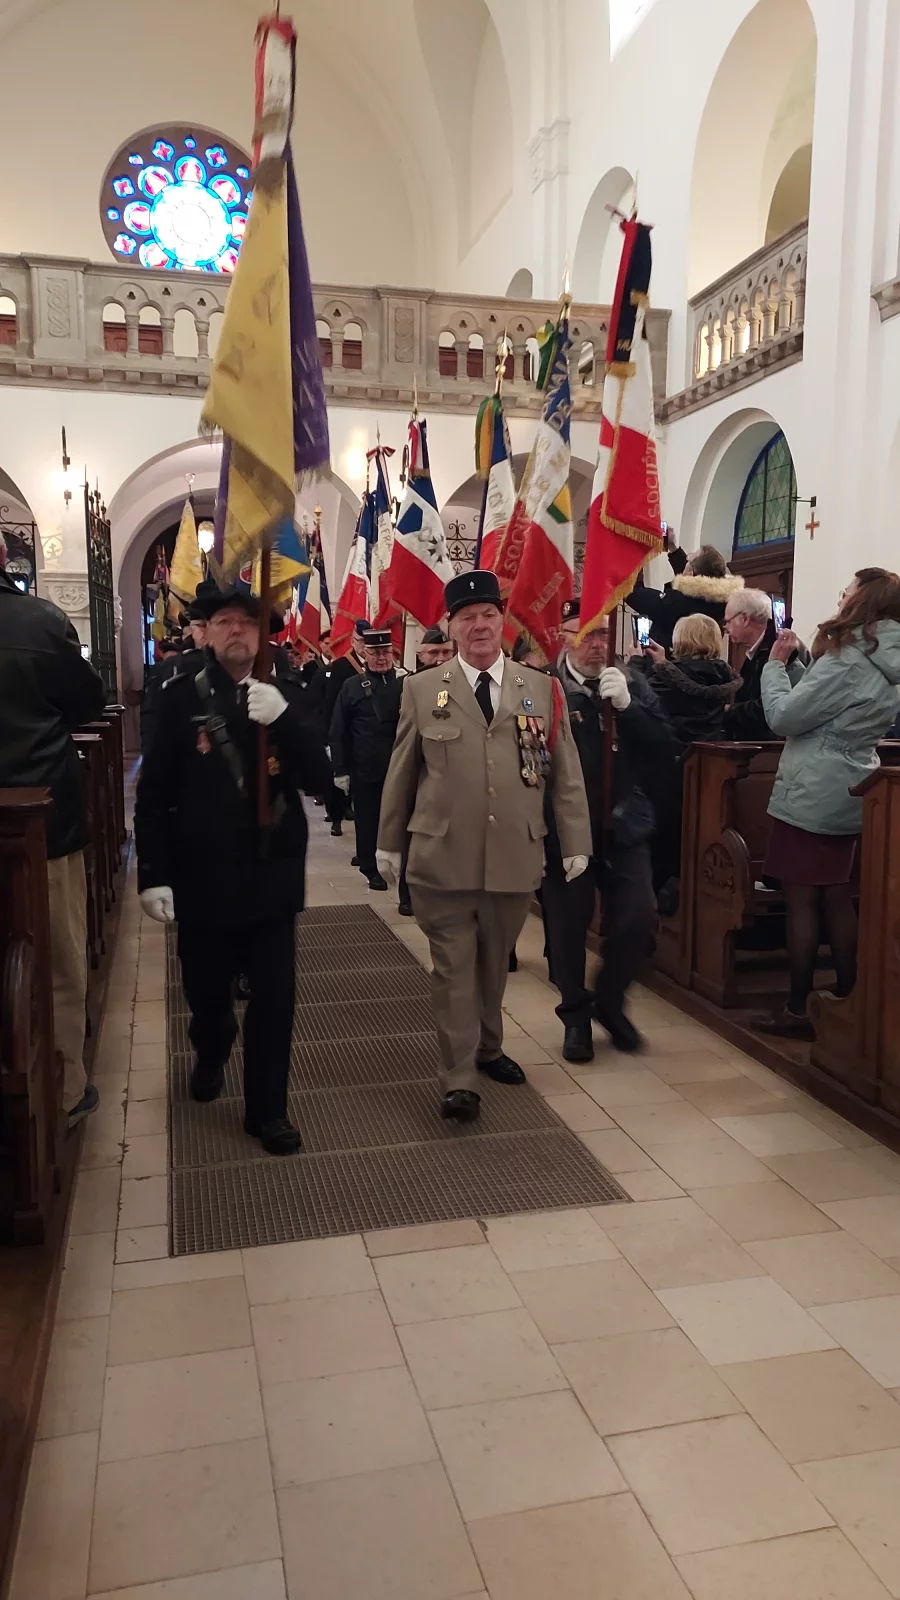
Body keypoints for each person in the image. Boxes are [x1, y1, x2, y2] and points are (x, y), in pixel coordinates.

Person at [376, 569, 591, 1122]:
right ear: (450, 627)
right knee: (454, 967)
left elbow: (565, 773)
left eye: (488, 615)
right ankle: (459, 1078)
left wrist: (575, 840)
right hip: (441, 856)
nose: (479, 626)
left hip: (514, 854)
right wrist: (388, 842)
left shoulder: (540, 688)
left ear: (502, 622)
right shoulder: (423, 689)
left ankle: (489, 1048)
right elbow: (402, 771)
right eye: (467, 617)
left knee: (494, 963)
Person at [134, 586, 330, 1153]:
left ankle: (268, 1112)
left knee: (275, 998)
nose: (238, 630)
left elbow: (321, 781)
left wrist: (285, 720)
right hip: (203, 873)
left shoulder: (290, 692)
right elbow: (154, 793)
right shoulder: (179, 697)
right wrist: (153, 872)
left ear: (264, 632)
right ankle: (212, 1046)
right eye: (225, 620)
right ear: (208, 631)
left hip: (271, 872)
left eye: (249, 621)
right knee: (206, 990)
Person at [754, 567, 900, 1037]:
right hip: (851, 784)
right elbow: (830, 709)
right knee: (836, 897)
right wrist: (801, 667)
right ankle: (849, 1001)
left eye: (847, 591)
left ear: (864, 601)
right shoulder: (886, 659)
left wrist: (774, 667)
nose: (841, 597)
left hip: (812, 789)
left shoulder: (848, 658)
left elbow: (784, 718)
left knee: (801, 900)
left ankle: (798, 1009)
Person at [543, 598, 678, 1063]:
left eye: (602, 634)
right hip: (566, 828)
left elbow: (665, 748)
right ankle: (575, 1018)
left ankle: (610, 998)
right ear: (563, 639)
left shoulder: (631, 682)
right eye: (585, 635)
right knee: (566, 929)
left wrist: (629, 707)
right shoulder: (544, 687)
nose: (597, 644)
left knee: (640, 918)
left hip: (624, 822)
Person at [0, 540, 106, 1129]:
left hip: (35, 815)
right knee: (56, 953)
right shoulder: (39, 621)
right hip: (37, 820)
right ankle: (64, 1087)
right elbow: (87, 701)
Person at [329, 628, 407, 893]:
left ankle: (403, 872)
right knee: (368, 822)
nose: (381, 658)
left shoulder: (406, 684)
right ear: (365, 654)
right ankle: (371, 869)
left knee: (402, 822)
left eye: (386, 652)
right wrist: (340, 770)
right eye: (375, 653)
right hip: (366, 770)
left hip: (401, 769)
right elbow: (338, 731)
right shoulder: (352, 686)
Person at [724, 589, 808, 741]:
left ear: (744, 619)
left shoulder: (777, 651)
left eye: (728, 621)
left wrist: (729, 710)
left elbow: (770, 707)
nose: (726, 628)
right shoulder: (762, 650)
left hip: (769, 746)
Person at [627, 544, 744, 653]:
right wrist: (675, 550)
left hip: (667, 665)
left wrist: (634, 555)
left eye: (688, 560)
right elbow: (695, 582)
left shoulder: (674, 603)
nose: (686, 560)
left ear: (690, 573)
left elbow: (632, 591)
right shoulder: (720, 603)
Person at [321, 618, 368, 836]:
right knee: (338, 776)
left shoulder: (374, 663)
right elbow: (331, 702)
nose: (364, 646)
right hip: (343, 730)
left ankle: (351, 809)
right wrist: (328, 736)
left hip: (363, 733)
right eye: (360, 641)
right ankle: (336, 817)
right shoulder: (341, 666)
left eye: (367, 641)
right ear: (352, 641)